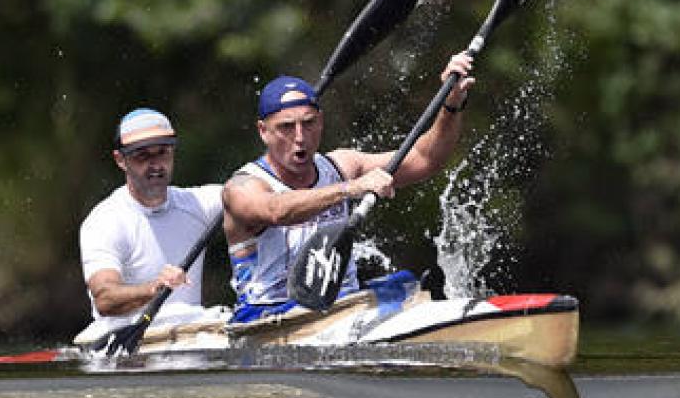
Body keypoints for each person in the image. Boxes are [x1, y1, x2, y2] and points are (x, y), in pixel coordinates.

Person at [222, 53, 475, 321]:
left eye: (308, 123)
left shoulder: (342, 165)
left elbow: (426, 159)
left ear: (320, 120)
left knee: (409, 287)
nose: (300, 137)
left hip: (344, 306)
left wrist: (450, 106)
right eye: (286, 127)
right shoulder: (241, 188)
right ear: (263, 131)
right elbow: (276, 211)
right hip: (270, 317)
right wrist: (350, 188)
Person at [76, 108, 222, 343]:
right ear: (120, 160)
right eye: (142, 156)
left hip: (192, 334)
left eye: (162, 153)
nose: (155, 165)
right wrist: (153, 288)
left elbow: (256, 195)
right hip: (128, 341)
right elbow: (105, 298)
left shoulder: (199, 204)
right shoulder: (105, 220)